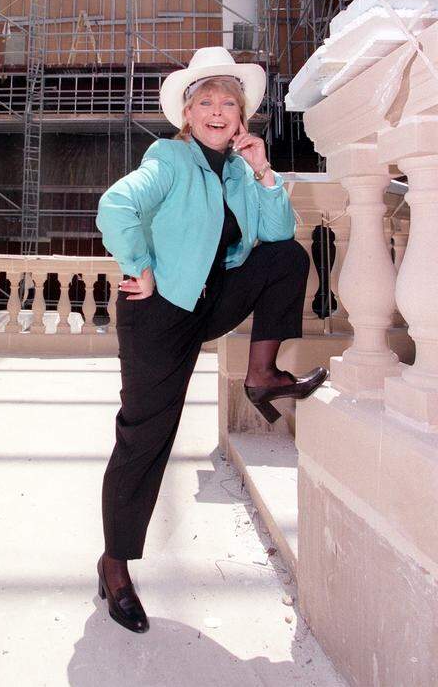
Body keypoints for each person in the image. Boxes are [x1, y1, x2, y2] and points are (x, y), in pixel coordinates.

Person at [94, 47, 327, 634]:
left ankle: (262, 374)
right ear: (188, 113)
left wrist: (264, 172)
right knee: (146, 433)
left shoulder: (241, 169)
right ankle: (115, 563)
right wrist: (138, 262)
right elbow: (116, 204)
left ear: (241, 114)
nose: (218, 112)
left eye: (229, 102)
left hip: (209, 299)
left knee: (287, 257)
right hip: (157, 311)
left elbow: (274, 237)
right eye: (206, 102)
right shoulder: (169, 158)